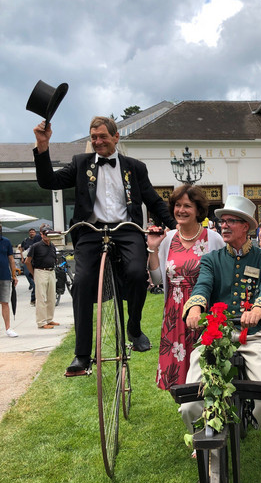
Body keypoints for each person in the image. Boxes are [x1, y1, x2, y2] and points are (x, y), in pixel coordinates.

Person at [33, 117, 176, 375]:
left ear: (116, 137)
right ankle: (82, 355)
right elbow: (48, 182)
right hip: (90, 231)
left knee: (135, 273)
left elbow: (154, 201)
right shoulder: (80, 164)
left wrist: (177, 228)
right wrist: (42, 146)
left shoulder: (135, 167)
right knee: (82, 283)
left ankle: (133, 327)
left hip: (126, 230)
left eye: (102, 136)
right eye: (93, 137)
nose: (97, 142)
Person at [181, 195, 261, 483]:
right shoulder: (211, 258)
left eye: (231, 220)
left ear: (246, 227)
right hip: (214, 334)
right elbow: (203, 285)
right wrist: (196, 305)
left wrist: (259, 307)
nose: (223, 225)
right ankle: (206, 452)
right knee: (189, 402)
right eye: (222, 220)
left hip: (250, 336)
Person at [147, 185, 224, 390]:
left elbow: (223, 277)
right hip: (175, 313)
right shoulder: (168, 239)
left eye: (187, 206)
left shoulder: (212, 239)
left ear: (198, 210)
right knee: (176, 372)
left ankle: (204, 414)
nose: (181, 210)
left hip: (204, 311)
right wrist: (153, 249)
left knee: (206, 368)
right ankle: (186, 411)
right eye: (178, 205)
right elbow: (156, 280)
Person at [25, 225, 58, 329]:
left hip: (51, 272)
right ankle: (41, 322)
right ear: (41, 234)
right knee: (41, 298)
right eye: (45, 233)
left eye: (49, 234)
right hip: (40, 271)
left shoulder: (52, 246)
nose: (47, 236)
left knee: (51, 297)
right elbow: (27, 261)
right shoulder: (36, 246)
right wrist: (34, 274)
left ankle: (49, 319)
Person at [0, 223, 18, 338]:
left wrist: (14, 275)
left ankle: (8, 328)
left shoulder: (5, 241)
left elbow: (11, 260)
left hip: (4, 276)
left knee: (5, 303)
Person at [19, 228, 41, 305]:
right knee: (26, 272)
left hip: (34, 260)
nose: (32, 233)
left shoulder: (37, 240)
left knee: (34, 278)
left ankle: (33, 287)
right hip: (26, 259)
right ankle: (31, 283)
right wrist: (22, 258)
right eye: (30, 232)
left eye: (33, 232)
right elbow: (21, 249)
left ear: (35, 233)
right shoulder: (25, 241)